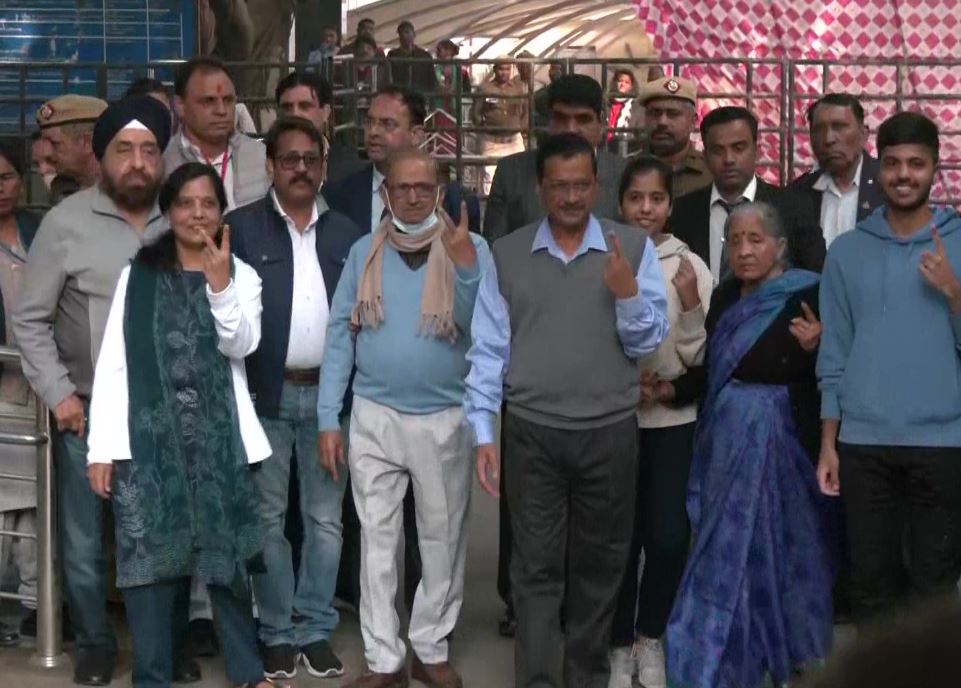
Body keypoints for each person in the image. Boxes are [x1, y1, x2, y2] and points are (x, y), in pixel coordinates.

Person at [467, 133, 669, 688]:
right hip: (532, 432)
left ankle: (586, 677)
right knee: (533, 569)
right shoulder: (506, 254)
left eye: (582, 185)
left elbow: (647, 342)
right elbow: (487, 349)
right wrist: (484, 433)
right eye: (560, 187)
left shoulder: (631, 247)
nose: (572, 197)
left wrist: (627, 293)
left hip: (609, 432)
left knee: (600, 568)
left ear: (597, 187)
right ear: (541, 188)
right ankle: (536, 680)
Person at [85, 162, 272, 688]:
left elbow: (243, 345)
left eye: (208, 203)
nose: (197, 213)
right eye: (185, 203)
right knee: (149, 569)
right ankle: (152, 676)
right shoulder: (138, 275)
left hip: (219, 444)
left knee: (228, 561)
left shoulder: (242, 274)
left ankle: (248, 673)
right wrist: (101, 448)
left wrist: (219, 288)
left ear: (221, 211)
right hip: (146, 447)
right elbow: (114, 363)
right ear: (168, 211)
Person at [13, 96, 172, 687]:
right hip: (83, 412)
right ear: (101, 156)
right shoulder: (67, 223)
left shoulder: (179, 217)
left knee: (157, 537)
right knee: (82, 545)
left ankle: (159, 644)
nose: (137, 163)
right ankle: (97, 644)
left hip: (160, 414)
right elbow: (29, 319)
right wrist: (59, 395)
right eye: (124, 150)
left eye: (148, 151)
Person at [318, 147, 491, 688]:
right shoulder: (362, 252)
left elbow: (479, 331)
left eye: (423, 186)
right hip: (373, 415)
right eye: (401, 187)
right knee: (377, 542)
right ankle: (383, 658)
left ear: (440, 190)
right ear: (386, 193)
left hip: (444, 415)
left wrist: (464, 271)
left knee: (441, 539)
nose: (412, 196)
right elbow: (338, 335)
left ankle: (430, 647)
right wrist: (329, 416)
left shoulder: (471, 247)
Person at [665, 202, 834, 688]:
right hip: (727, 441)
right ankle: (721, 644)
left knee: (784, 549)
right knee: (722, 547)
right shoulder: (723, 299)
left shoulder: (808, 293)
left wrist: (816, 348)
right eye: (734, 241)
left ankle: (783, 651)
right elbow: (710, 370)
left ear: (780, 247)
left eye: (755, 240)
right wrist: (671, 390)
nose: (743, 250)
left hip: (787, 443)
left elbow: (835, 371)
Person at [227, 117, 364, 680]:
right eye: (290, 159)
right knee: (266, 522)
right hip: (265, 397)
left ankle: (314, 627)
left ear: (324, 166)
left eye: (311, 159)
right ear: (272, 166)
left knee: (326, 520)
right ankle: (277, 631)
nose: (301, 169)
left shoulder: (349, 234)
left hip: (330, 402)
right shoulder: (241, 229)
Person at [817, 112, 961, 625]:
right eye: (894, 163)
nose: (904, 174)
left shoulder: (958, 241)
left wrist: (954, 294)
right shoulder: (848, 251)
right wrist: (829, 442)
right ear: (880, 167)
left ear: (935, 168)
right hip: (863, 445)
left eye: (916, 164)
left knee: (934, 588)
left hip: (944, 444)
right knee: (870, 586)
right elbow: (833, 352)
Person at [607, 155, 713, 688]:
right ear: (620, 203)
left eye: (656, 199)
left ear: (670, 205)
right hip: (615, 422)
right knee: (619, 539)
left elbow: (702, 357)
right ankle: (618, 644)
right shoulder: (602, 257)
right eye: (635, 199)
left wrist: (691, 308)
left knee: (668, 536)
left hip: (673, 421)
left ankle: (652, 637)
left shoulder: (689, 265)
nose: (645, 209)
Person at [483, 74, 628, 243]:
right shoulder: (511, 173)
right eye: (561, 119)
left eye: (583, 120)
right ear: (549, 122)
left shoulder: (623, 174)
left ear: (602, 123)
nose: (571, 129)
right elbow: (495, 250)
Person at [0, 143, 41, 647]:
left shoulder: (39, 231)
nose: (1, 187)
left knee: (33, 507)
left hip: (35, 393)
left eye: (7, 176)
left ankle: (33, 606)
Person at [669, 107, 785, 282]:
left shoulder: (789, 207)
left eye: (738, 148)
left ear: (757, 151)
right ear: (705, 156)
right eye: (718, 150)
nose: (729, 159)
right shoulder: (681, 212)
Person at [777, 93, 884, 250]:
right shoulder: (797, 194)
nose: (828, 139)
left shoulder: (888, 185)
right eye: (819, 130)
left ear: (863, 134)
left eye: (839, 127)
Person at [164, 56, 269, 211]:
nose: (221, 111)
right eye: (208, 101)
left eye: (227, 100)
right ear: (180, 106)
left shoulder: (261, 157)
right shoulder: (163, 164)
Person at [275, 71, 363, 183]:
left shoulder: (352, 169)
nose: (295, 114)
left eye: (304, 106)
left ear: (325, 112)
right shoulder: (260, 164)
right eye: (287, 107)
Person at [637, 76, 712, 199]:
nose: (662, 122)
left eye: (673, 114)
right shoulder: (625, 169)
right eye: (655, 113)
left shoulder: (711, 173)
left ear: (693, 122)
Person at [473, 57, 528, 196]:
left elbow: (525, 111)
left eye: (507, 69)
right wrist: (483, 128)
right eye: (501, 69)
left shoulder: (519, 88)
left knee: (518, 179)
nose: (504, 72)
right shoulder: (485, 88)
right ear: (495, 69)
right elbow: (476, 112)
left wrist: (521, 127)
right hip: (491, 141)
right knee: (490, 181)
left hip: (513, 141)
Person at [36, 94, 108, 190]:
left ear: (88, 143)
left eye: (54, 143)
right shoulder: (62, 189)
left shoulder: (123, 194)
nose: (48, 152)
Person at [387, 21, 438, 94]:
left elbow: (431, 78)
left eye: (407, 32)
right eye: (401, 33)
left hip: (420, 94)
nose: (404, 36)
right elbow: (389, 77)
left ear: (414, 34)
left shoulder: (424, 55)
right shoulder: (392, 54)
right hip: (400, 95)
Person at [606, 69, 643, 154]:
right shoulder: (606, 105)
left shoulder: (637, 108)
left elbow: (641, 136)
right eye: (620, 81)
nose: (622, 84)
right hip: (605, 150)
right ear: (615, 83)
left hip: (629, 152)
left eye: (627, 82)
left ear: (631, 86)